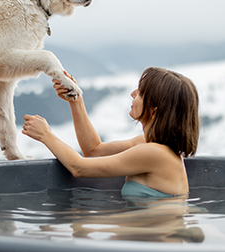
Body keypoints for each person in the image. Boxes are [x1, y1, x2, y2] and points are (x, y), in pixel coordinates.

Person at [21, 67, 200, 198]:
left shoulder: (155, 153)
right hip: (149, 236)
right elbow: (93, 150)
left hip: (156, 239)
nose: (133, 93)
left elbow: (79, 168)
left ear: (154, 111)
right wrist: (76, 101)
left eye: (141, 92)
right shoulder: (149, 144)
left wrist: (46, 136)